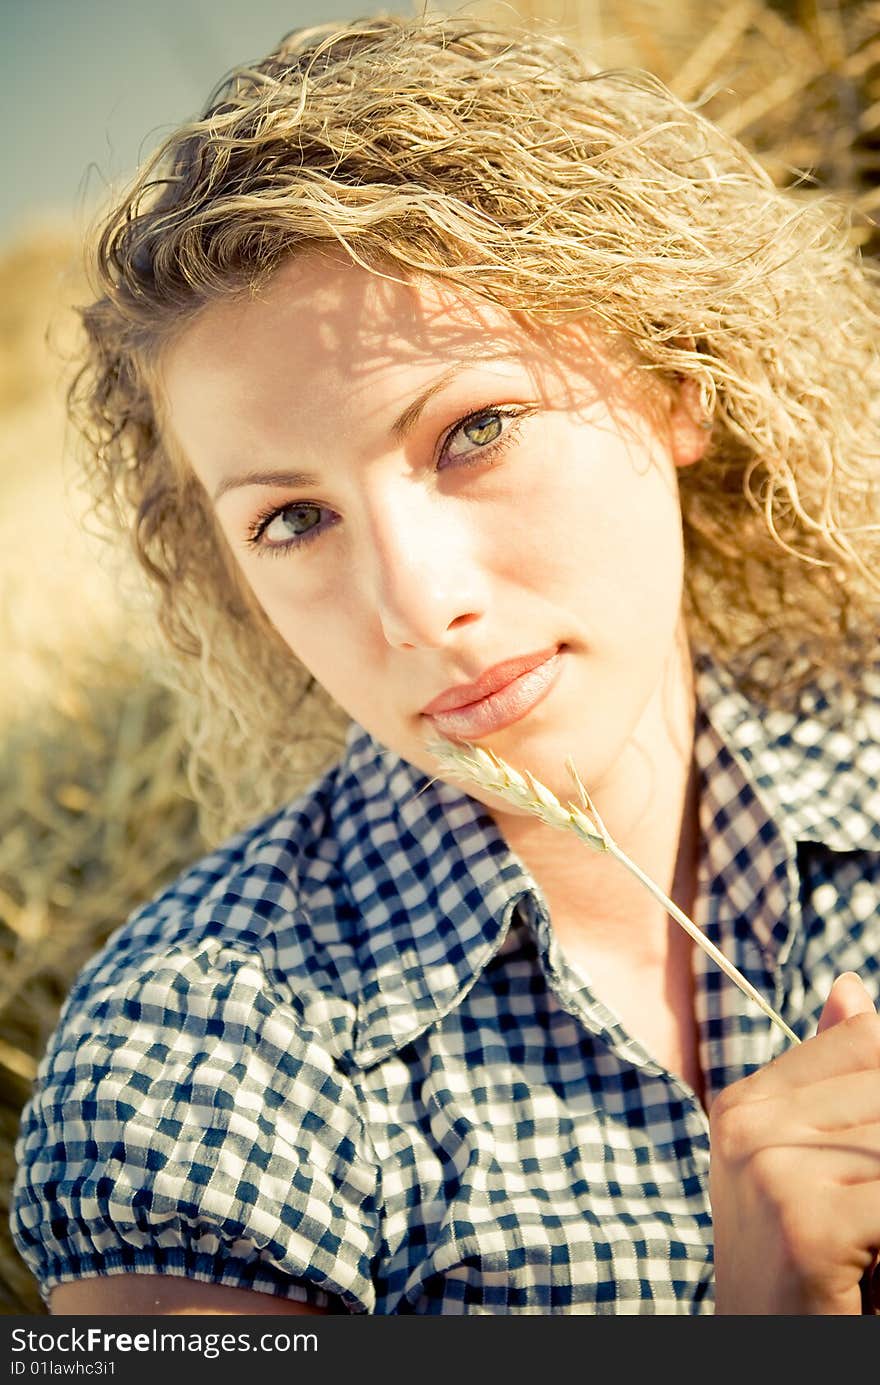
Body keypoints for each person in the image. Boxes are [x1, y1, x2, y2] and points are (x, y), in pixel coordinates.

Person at [10, 11, 880, 1316]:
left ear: (676, 379)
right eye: (292, 519)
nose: (417, 605)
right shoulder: (192, 1067)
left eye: (474, 429)